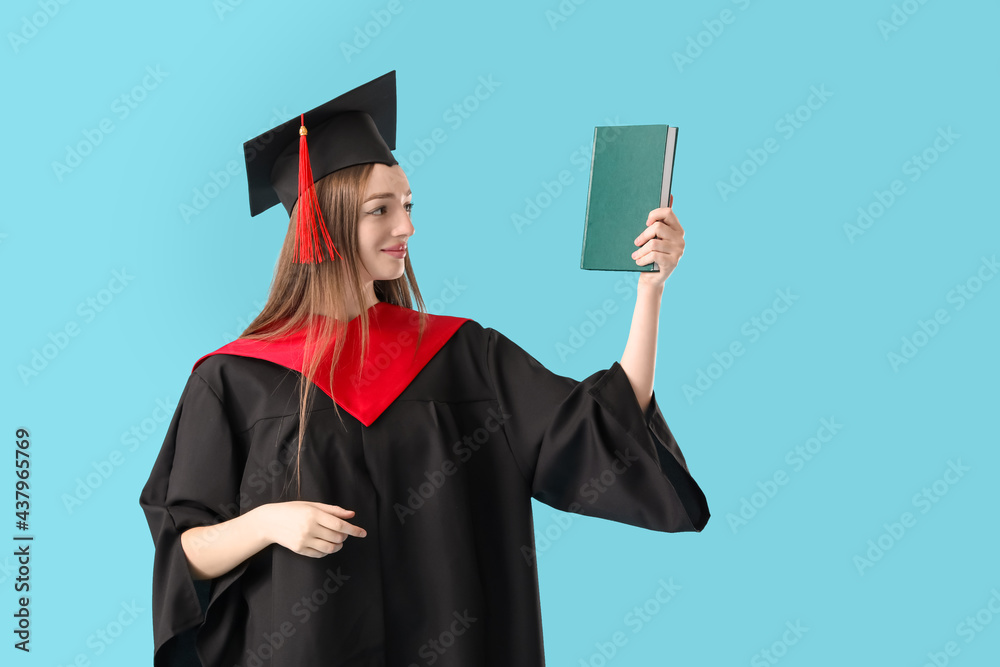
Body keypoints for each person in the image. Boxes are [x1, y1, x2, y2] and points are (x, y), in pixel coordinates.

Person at [139, 70, 710, 667]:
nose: (406, 227)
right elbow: (185, 554)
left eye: (407, 206)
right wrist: (265, 524)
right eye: (380, 210)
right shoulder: (234, 380)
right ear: (322, 224)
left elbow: (600, 429)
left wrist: (651, 293)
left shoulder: (463, 356)